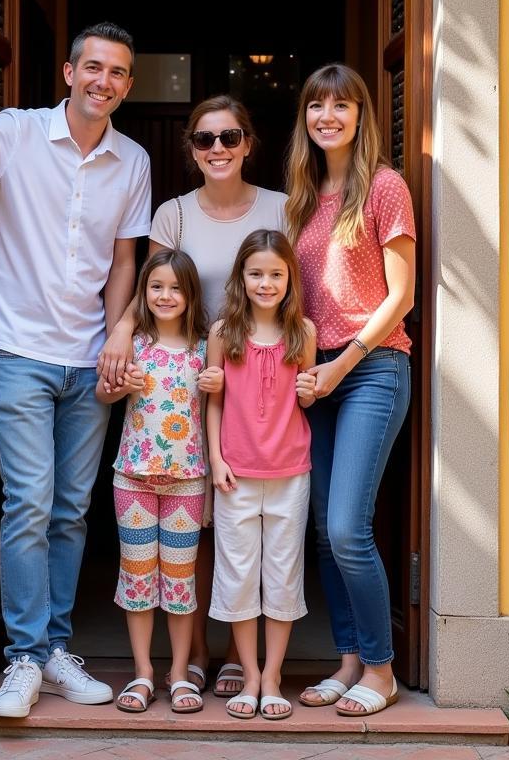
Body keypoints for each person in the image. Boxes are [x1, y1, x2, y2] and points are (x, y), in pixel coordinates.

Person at [0, 18, 151, 718]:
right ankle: (24, 659)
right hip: (17, 350)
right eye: (94, 67)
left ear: (128, 84)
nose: (105, 81)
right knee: (28, 503)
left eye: (119, 72)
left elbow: (125, 260)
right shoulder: (17, 130)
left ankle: (57, 652)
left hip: (89, 357)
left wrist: (117, 336)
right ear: (69, 73)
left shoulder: (134, 161)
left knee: (69, 511)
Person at [98, 94, 287, 699]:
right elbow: (152, 285)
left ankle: (239, 654)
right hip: (184, 379)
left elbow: (298, 289)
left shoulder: (282, 209)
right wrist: (123, 334)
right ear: (192, 149)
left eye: (229, 137)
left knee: (228, 528)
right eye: (205, 140)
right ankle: (193, 657)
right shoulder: (174, 213)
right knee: (198, 538)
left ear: (248, 143)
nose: (218, 150)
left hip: (246, 384)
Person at [286, 64, 415, 717]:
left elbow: (401, 296)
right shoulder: (302, 198)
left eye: (341, 105)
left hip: (372, 368)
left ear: (362, 114)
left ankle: (382, 669)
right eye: (317, 106)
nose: (328, 116)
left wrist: (342, 364)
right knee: (320, 528)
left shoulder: (384, 188)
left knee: (346, 527)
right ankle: (347, 661)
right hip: (318, 373)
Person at [205, 229, 317, 720]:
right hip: (236, 474)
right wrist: (216, 460)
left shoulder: (303, 334)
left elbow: (305, 397)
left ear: (290, 277)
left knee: (282, 576)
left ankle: (273, 676)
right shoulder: (223, 332)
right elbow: (213, 404)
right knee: (237, 576)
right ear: (241, 277)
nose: (266, 283)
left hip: (290, 471)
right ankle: (249, 675)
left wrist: (311, 389)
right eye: (256, 274)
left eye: (275, 274)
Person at [97, 248, 209, 715]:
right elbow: (102, 394)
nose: (166, 295)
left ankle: (179, 673)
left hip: (187, 481)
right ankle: (143, 672)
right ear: (143, 291)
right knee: (138, 577)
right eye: (157, 286)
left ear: (190, 295)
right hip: (134, 479)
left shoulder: (205, 346)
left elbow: (222, 404)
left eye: (176, 288)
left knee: (180, 582)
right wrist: (120, 386)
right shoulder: (133, 342)